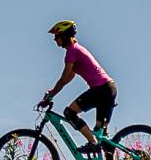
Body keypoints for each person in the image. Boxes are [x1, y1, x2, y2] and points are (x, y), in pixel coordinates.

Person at [42, 19, 117, 151]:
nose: (55, 40)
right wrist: (53, 91)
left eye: (57, 36)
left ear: (64, 36)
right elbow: (69, 77)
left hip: (101, 90)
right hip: (108, 88)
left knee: (70, 113)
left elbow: (63, 78)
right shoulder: (77, 49)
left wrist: (50, 96)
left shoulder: (72, 51)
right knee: (101, 135)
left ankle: (92, 143)